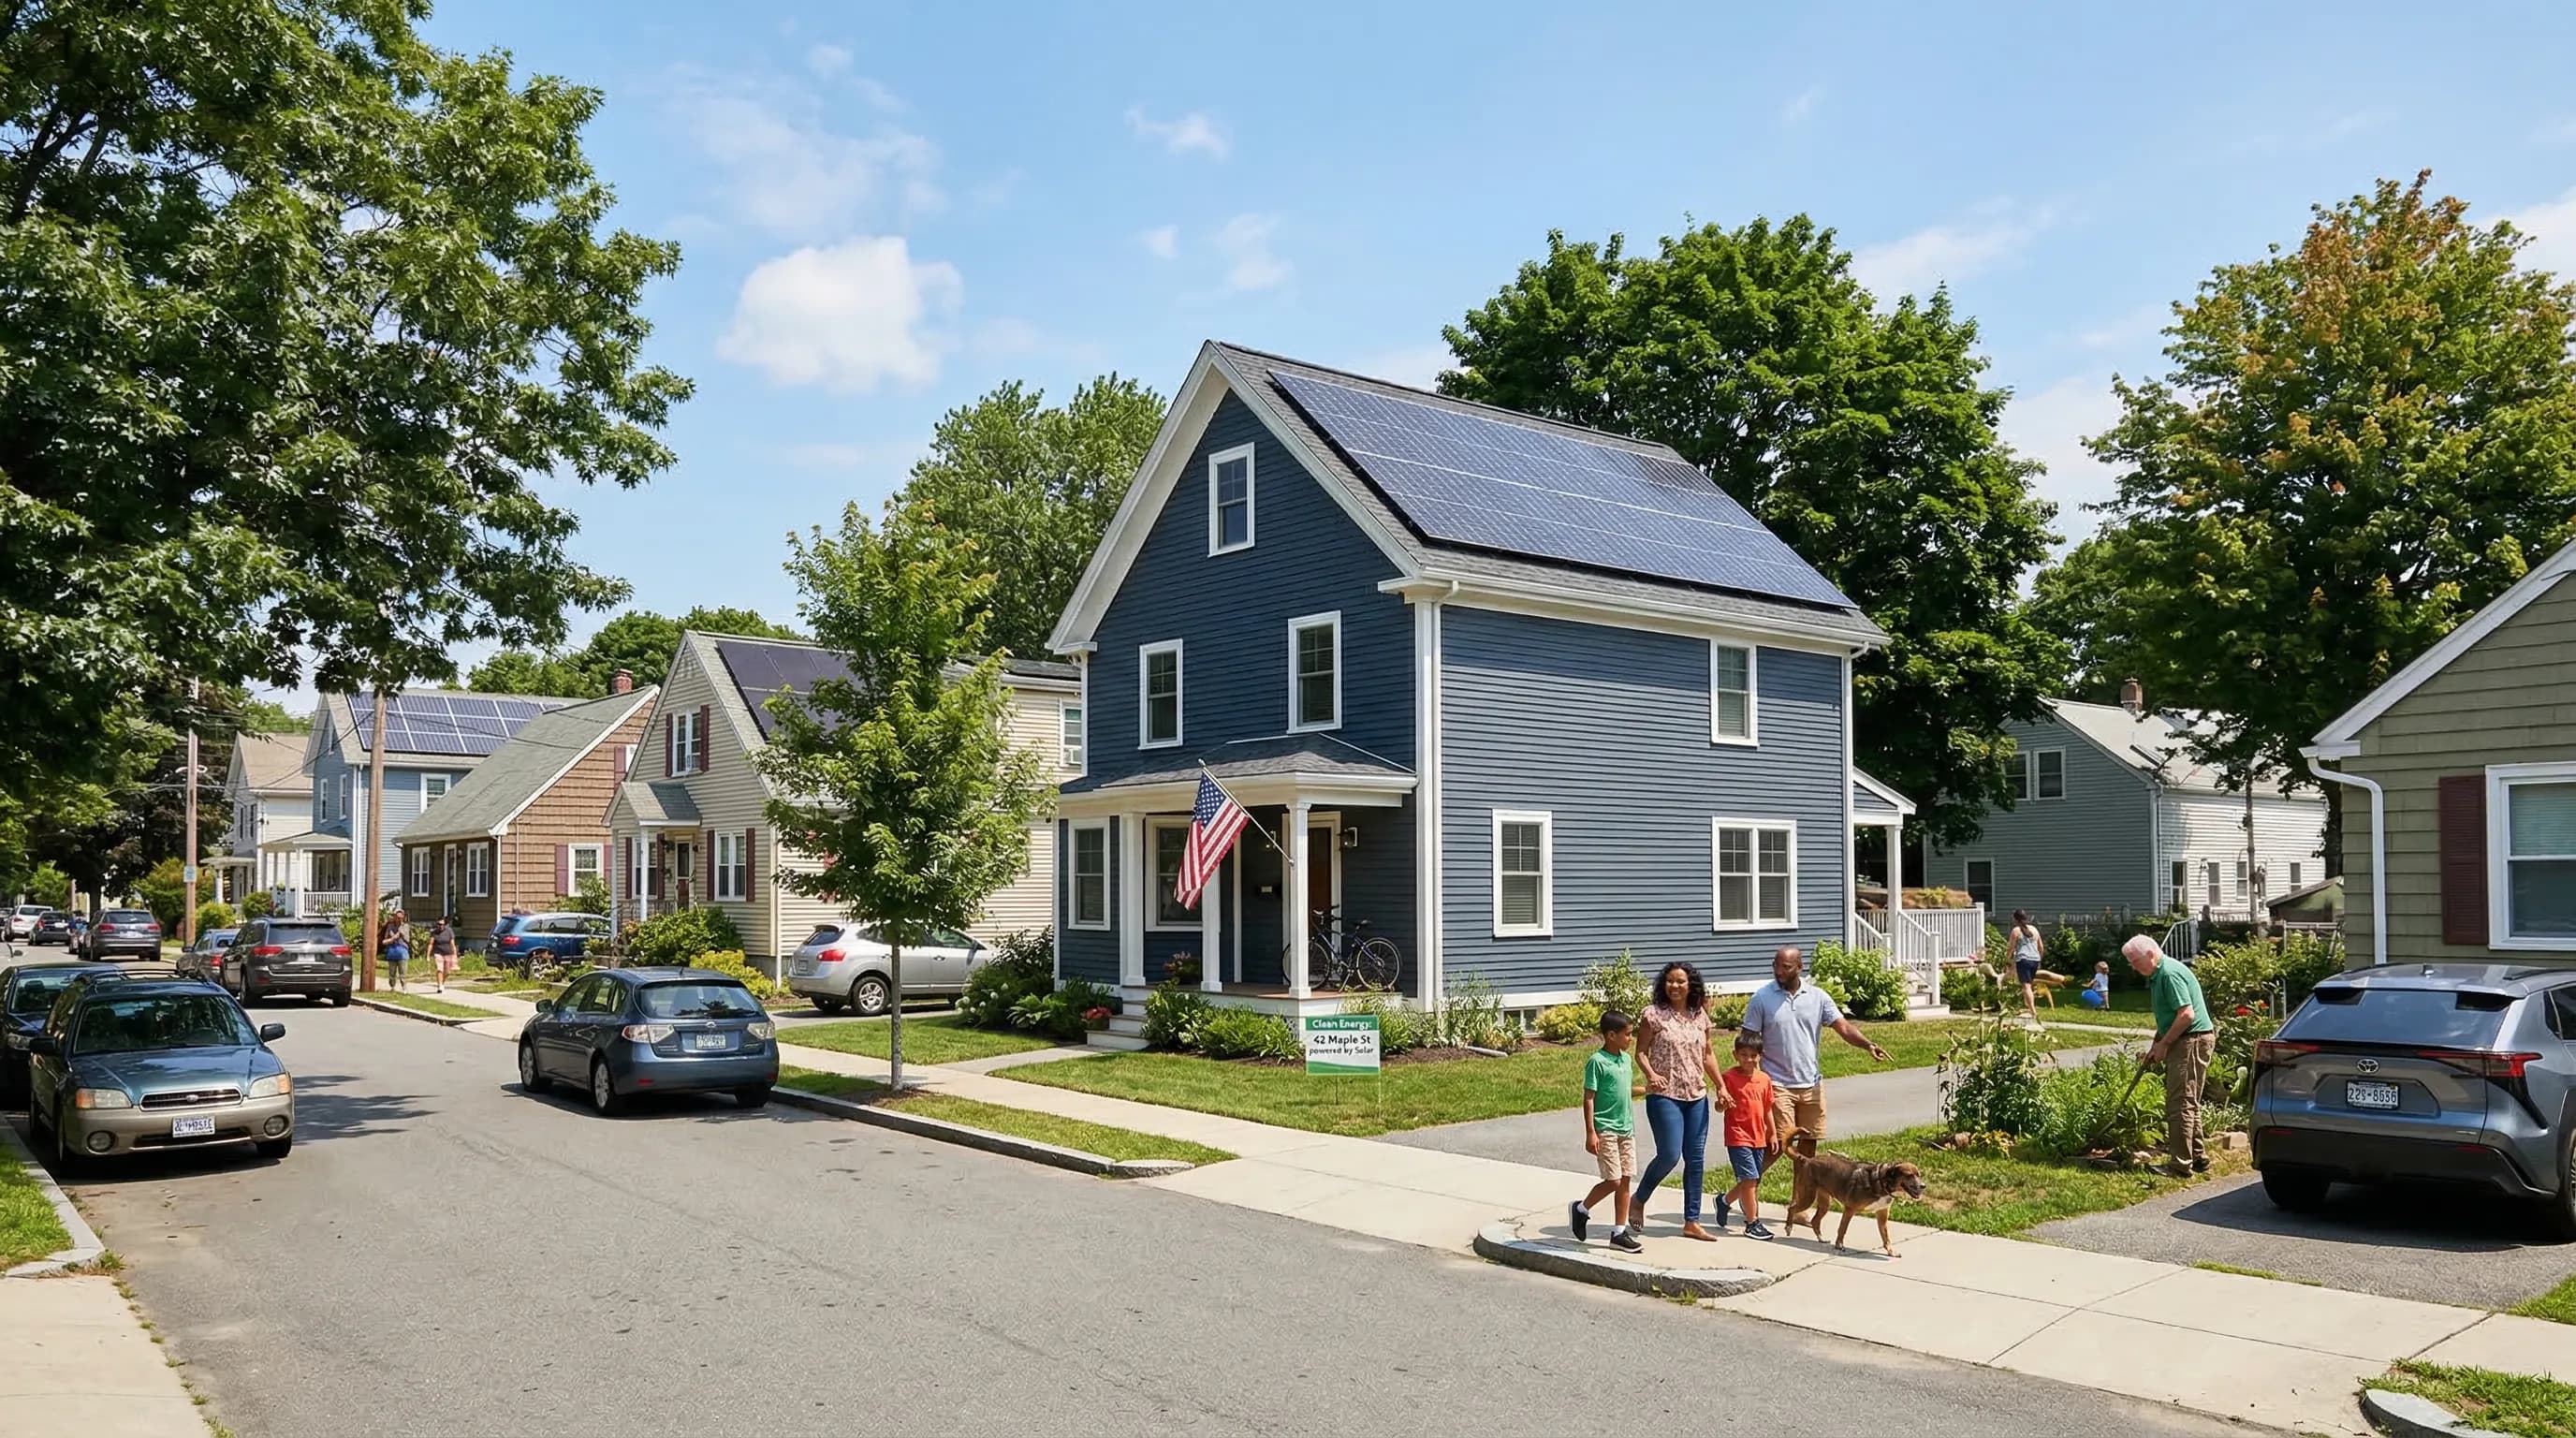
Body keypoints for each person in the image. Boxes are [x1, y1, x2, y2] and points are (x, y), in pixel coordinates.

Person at [1743, 946, 1890, 1149]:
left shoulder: (1818, 997)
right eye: (1775, 965)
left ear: (1800, 967)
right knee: (1779, 1145)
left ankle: (1802, 1183)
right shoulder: (1762, 998)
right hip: (1776, 1083)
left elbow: (1844, 1027)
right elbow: (1748, 1038)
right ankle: (1750, 1181)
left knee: (1808, 1147)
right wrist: (1753, 1076)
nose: (1778, 971)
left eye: (1785, 967)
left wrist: (1868, 1045)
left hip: (1811, 1083)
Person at [1631, 961, 1731, 1240]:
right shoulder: (1653, 1015)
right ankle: (1638, 1199)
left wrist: (1720, 1086)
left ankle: (1692, 1221)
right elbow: (1640, 1052)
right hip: (1665, 1095)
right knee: (1670, 1155)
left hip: (1696, 1095)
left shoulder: (1700, 1016)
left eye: (1680, 982)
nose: (1674, 986)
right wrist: (1651, 1074)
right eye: (1670, 981)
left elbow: (1708, 1054)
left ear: (1691, 986)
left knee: (1696, 1160)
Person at [2127, 935, 2217, 1177]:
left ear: (2150, 955)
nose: (2133, 967)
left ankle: (2179, 1165)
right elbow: (2170, 1018)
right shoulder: (2159, 974)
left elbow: (2186, 1015)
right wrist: (2156, 1045)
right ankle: (2197, 1157)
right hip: (2185, 1039)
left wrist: (2165, 1044)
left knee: (2179, 1103)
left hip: (2191, 1040)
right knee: (2188, 1101)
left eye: (2134, 961)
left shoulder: (2168, 974)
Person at [1571, 1010, 1643, 1253]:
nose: (1630, 1039)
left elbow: (1622, 1090)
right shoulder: (1597, 1062)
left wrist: (1646, 1089)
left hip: (1626, 1129)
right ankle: (1581, 1209)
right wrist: (1591, 1132)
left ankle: (1619, 1233)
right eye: (1628, 1034)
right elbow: (1589, 1098)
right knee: (1612, 1180)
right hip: (1606, 1129)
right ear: (1611, 1035)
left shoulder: (1625, 1060)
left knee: (1625, 1180)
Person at [1720, 1031, 1778, 1240]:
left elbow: (1767, 1109)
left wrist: (1772, 1134)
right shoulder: (1729, 1077)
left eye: (1753, 1055)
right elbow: (1720, 1106)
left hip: (1759, 1137)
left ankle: (1724, 1202)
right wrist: (1722, 1103)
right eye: (1744, 1054)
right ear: (1735, 1055)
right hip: (1738, 1136)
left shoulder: (1764, 1080)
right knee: (1750, 1179)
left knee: (1753, 1179)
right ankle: (1752, 1223)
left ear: (1760, 1056)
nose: (1748, 1059)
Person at [2008, 910, 2045, 1021]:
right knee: (2028, 985)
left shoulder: (2016, 931)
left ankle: (2033, 1012)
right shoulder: (2034, 930)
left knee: (2026, 986)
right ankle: (2028, 1008)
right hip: (2034, 960)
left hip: (2023, 960)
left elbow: (2011, 947)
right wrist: (2039, 960)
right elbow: (2041, 947)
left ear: (2015, 919)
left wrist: (2007, 959)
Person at [430, 917, 460, 992]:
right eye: (439, 924)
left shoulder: (449, 931)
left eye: (442, 924)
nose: (440, 926)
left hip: (448, 953)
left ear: (445, 925)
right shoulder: (434, 932)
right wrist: (428, 955)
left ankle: (442, 982)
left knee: (448, 972)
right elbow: (431, 944)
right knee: (440, 969)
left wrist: (455, 955)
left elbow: (452, 944)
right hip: (438, 953)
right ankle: (440, 986)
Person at [383, 910, 410, 991]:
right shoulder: (390, 926)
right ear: (395, 917)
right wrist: (393, 938)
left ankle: (404, 988)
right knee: (392, 972)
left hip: (402, 950)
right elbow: (385, 939)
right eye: (398, 918)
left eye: (401, 918)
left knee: (403, 971)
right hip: (392, 950)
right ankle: (392, 987)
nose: (399, 919)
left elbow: (408, 940)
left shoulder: (405, 926)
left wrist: (402, 935)